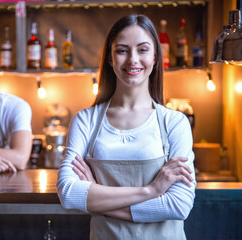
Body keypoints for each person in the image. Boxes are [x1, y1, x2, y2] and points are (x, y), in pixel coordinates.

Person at [57, 14, 196, 239]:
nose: (133, 59)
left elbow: (178, 205)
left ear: (155, 58)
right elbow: (69, 194)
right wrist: (150, 191)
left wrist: (95, 197)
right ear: (110, 59)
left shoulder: (174, 123)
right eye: (122, 50)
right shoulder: (86, 120)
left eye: (142, 50)